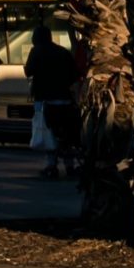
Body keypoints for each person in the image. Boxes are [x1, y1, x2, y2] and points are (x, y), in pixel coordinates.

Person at [24, 24, 78, 180]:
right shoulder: (63, 52)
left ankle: (51, 165)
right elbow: (74, 74)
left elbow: (29, 71)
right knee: (66, 133)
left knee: (48, 133)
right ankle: (70, 165)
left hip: (44, 99)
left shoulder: (36, 51)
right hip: (64, 98)